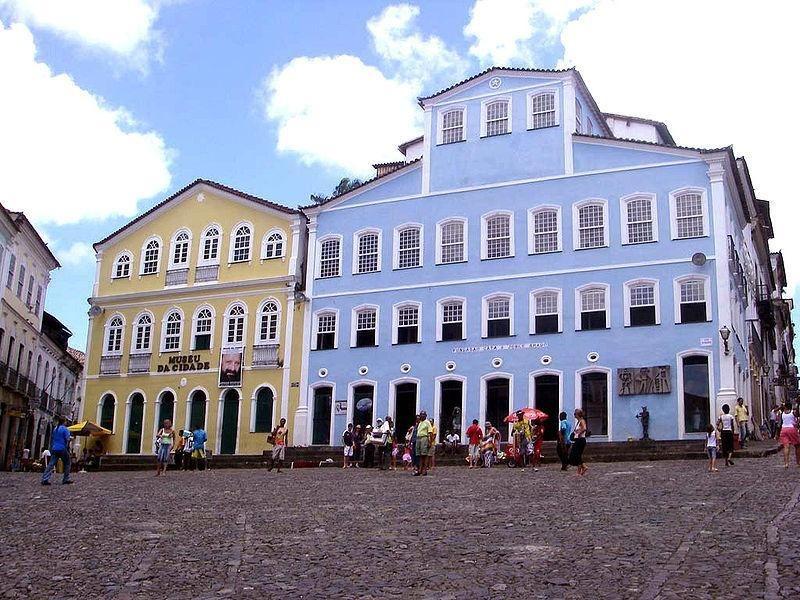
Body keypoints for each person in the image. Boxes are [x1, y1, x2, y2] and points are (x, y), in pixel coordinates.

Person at [41, 417, 74, 486]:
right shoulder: (65, 429)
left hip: (54, 448)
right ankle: (65, 479)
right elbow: (68, 439)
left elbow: (54, 438)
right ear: (64, 422)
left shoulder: (55, 429)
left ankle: (45, 478)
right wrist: (72, 438)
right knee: (67, 463)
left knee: (51, 464)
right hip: (62, 448)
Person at [778, 402, 800, 468]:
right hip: (792, 429)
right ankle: (798, 463)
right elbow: (797, 418)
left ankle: (786, 463)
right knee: (797, 446)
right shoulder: (793, 412)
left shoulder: (782, 413)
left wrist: (777, 434)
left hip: (783, 429)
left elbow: (779, 424)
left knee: (786, 447)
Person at [568, 409, 588, 476]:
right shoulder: (578, 422)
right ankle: (579, 471)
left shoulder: (582, 421)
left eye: (575, 414)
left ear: (578, 415)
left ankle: (584, 467)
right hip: (578, 440)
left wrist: (579, 433)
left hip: (580, 440)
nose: (574, 415)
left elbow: (584, 428)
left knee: (576, 454)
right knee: (577, 455)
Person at [415, 411, 434, 476]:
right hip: (418, 438)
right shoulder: (420, 423)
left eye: (423, 415)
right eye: (421, 415)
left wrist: (430, 442)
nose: (421, 416)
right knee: (419, 455)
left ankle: (425, 470)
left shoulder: (427, 422)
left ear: (425, 415)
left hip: (424, 438)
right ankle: (420, 469)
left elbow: (430, 433)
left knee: (424, 455)